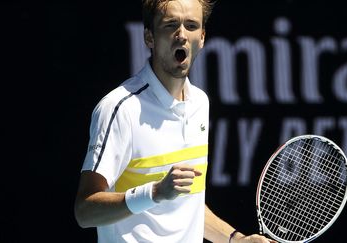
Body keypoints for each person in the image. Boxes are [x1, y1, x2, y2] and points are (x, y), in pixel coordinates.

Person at [74, 0, 276, 242]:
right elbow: (85, 212)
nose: (181, 35)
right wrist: (155, 192)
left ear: (201, 38)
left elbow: (186, 206)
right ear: (149, 37)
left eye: (191, 25)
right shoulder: (119, 109)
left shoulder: (200, 104)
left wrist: (236, 239)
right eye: (171, 25)